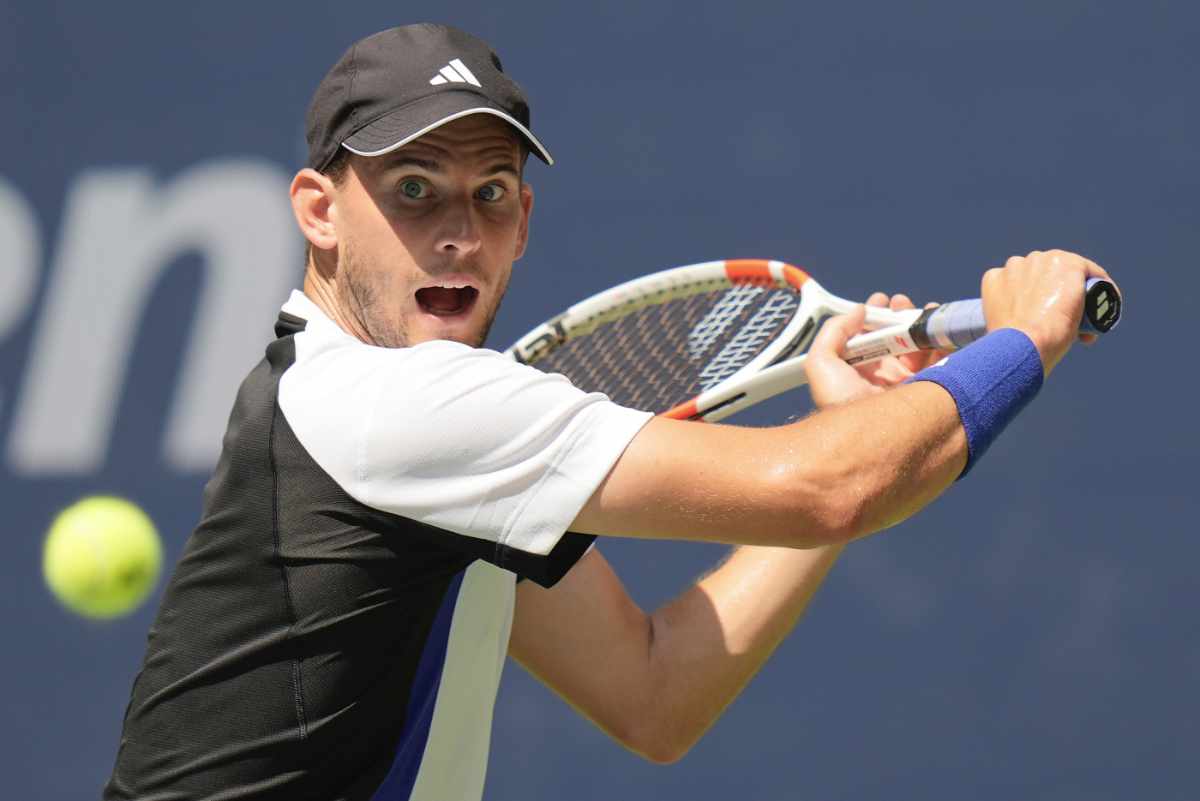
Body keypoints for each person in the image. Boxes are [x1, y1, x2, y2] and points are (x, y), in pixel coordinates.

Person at [104, 23, 1116, 801]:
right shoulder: (393, 405)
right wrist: (1023, 341)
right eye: (414, 189)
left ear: (526, 222)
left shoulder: (417, 447)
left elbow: (655, 690)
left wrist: (854, 417)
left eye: (491, 193)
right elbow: (836, 484)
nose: (459, 231)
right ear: (319, 211)